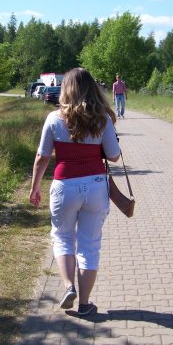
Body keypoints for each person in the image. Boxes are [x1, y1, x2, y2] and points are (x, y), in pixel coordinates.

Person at [30, 67, 121, 316]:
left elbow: (42, 156)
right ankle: (84, 304)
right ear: (93, 88)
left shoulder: (53, 118)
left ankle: (69, 286)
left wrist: (35, 186)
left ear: (66, 89)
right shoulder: (102, 119)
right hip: (94, 187)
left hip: (64, 186)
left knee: (62, 238)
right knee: (89, 246)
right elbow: (114, 156)